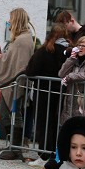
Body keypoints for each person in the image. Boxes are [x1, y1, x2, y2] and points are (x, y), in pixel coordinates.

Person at [24, 23, 71, 156]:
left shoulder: (44, 50)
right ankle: (55, 153)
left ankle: (44, 153)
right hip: (62, 92)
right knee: (56, 123)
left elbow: (31, 71)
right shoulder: (70, 53)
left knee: (43, 123)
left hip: (44, 91)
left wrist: (37, 79)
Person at [0, 8, 35, 151]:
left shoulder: (22, 40)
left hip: (15, 83)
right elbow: (13, 60)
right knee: (8, 114)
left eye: (11, 18)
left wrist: (2, 60)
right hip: (14, 82)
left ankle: (15, 147)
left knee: (12, 114)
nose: (9, 21)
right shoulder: (22, 38)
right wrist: (3, 58)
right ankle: (13, 145)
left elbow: (21, 65)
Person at [57, 34, 85, 126]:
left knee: (82, 127)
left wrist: (71, 76)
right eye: (78, 45)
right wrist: (71, 59)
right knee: (68, 127)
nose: (80, 47)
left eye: (83, 46)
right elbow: (61, 73)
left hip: (83, 99)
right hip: (70, 98)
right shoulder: (75, 59)